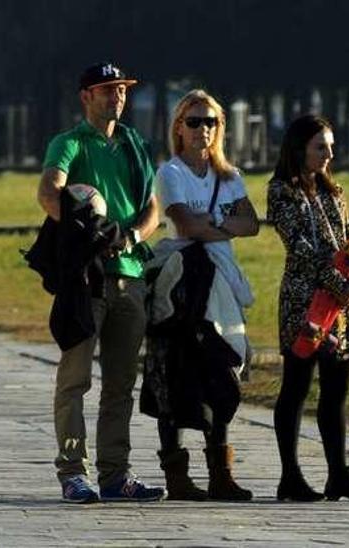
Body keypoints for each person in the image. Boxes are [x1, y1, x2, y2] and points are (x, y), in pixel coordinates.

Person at [35, 62, 165, 504]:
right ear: (86, 96)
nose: (117, 97)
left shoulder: (134, 144)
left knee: (120, 385)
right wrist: (84, 229)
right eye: (107, 90)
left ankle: (116, 475)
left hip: (130, 277)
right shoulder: (69, 143)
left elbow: (151, 208)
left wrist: (130, 235)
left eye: (123, 90)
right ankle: (73, 472)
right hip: (86, 279)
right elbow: (49, 193)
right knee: (74, 380)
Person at [145, 90, 259, 501]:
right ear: (179, 127)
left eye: (210, 122)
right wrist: (222, 224)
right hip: (181, 284)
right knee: (173, 372)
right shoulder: (170, 172)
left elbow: (253, 224)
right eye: (194, 121)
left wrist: (210, 222)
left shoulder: (230, 177)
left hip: (220, 285)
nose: (202, 130)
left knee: (221, 368)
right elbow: (184, 226)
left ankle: (220, 473)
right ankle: (177, 475)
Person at [267, 114, 349, 503]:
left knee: (336, 391)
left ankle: (339, 475)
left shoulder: (335, 192)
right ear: (299, 149)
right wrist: (340, 283)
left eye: (331, 147)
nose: (329, 155)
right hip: (304, 305)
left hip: (341, 305)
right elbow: (300, 248)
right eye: (321, 147)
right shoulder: (282, 191)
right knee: (296, 387)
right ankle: (290, 477)